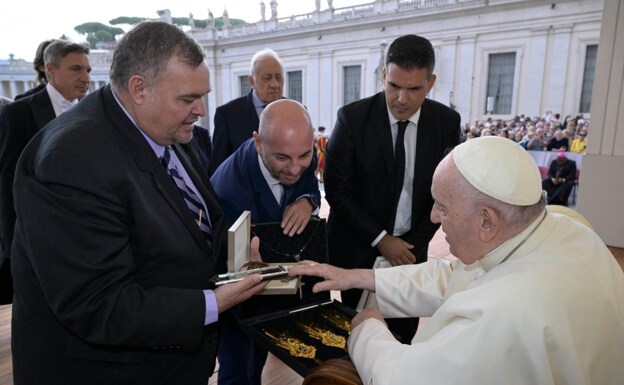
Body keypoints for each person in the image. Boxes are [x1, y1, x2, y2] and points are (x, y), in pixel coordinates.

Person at [10, 21, 269, 385]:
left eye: (202, 96)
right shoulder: (71, 160)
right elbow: (100, 305)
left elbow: (193, 223)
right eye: (187, 99)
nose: (200, 110)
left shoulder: (169, 128)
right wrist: (215, 302)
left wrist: (233, 256)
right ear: (139, 89)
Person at [290, 136, 624, 385]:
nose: (434, 217)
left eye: (443, 207)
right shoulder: (563, 225)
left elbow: (403, 379)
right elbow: (458, 276)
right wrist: (358, 278)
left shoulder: (506, 312)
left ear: (487, 221)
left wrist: (367, 330)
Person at [324, 34, 460, 342]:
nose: (402, 98)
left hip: (413, 251)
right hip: (359, 247)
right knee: (357, 335)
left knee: (401, 335)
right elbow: (337, 192)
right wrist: (382, 240)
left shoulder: (446, 123)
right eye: (394, 85)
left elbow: (448, 195)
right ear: (384, 74)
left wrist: (410, 247)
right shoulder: (352, 119)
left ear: (431, 82)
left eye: (414, 89)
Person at [211, 99, 320, 385]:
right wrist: (242, 265)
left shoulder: (298, 150)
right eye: (282, 158)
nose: (296, 169)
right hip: (238, 300)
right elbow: (225, 270)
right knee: (238, 369)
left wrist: (306, 200)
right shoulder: (228, 193)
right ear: (258, 143)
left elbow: (308, 184)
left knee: (258, 359)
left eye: (304, 156)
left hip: (274, 292)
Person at [0, 39, 91, 305]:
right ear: (50, 70)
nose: (85, 77)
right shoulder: (19, 113)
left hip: (83, 236)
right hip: (35, 237)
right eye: (76, 69)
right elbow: (7, 182)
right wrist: (10, 245)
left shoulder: (91, 113)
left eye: (87, 70)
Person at [210, 48, 285, 174]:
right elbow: (218, 168)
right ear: (251, 81)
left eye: (279, 77)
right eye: (267, 78)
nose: (274, 84)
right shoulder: (228, 115)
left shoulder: (297, 111)